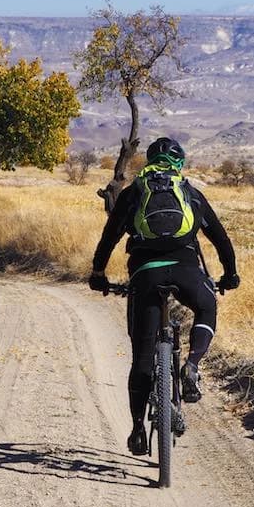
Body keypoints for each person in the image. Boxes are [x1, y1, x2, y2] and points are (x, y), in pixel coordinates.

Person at [88, 137, 239, 455]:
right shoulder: (190, 193)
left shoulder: (133, 194)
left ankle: (137, 430)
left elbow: (109, 238)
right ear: (179, 164)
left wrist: (99, 274)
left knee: (142, 358)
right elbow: (221, 239)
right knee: (206, 306)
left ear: (147, 162)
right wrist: (230, 274)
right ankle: (193, 364)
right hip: (186, 270)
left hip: (146, 275)